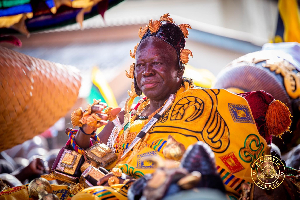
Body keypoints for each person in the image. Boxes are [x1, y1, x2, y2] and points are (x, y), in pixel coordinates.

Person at [66, 14, 277, 200]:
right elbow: (83, 161)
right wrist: (87, 128)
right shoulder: (128, 113)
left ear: (179, 68)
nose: (146, 71)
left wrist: (128, 180)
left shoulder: (203, 104)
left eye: (156, 63)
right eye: (140, 65)